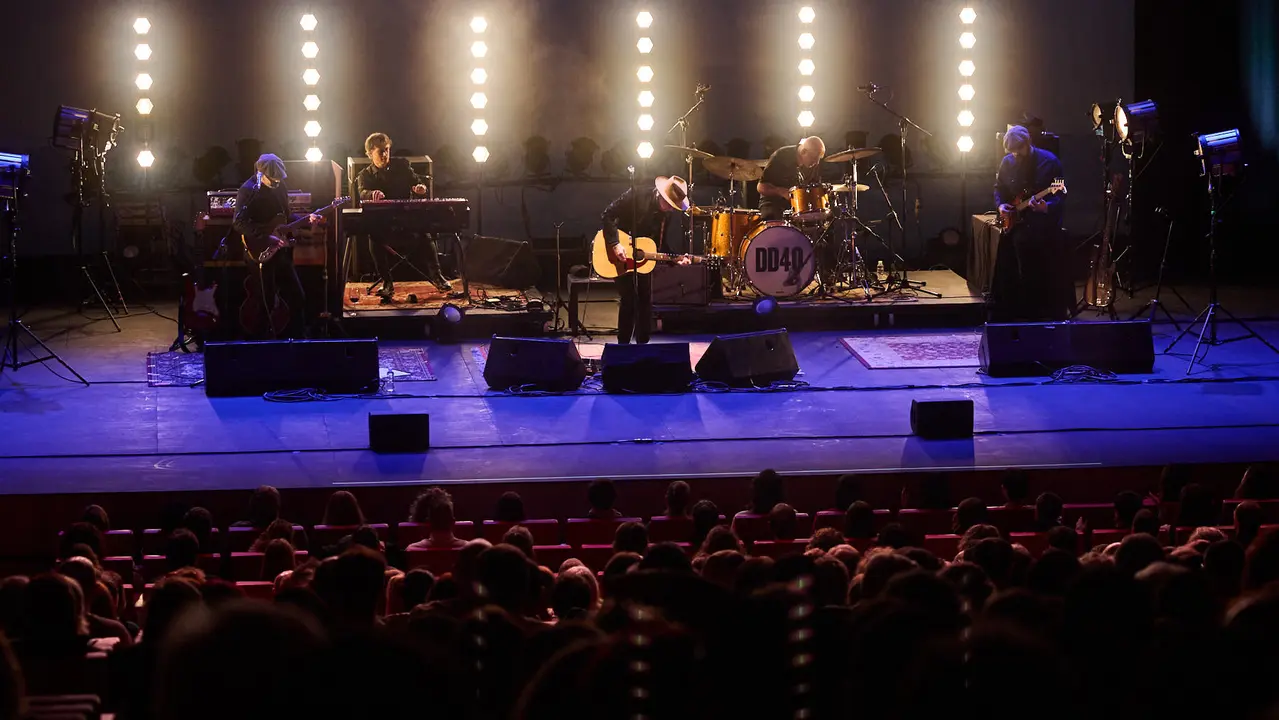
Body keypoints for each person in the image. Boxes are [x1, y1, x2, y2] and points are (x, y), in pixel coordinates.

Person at [354, 132, 451, 297]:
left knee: (425, 233)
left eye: (387, 150)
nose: (385, 154)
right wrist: (371, 194)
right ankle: (387, 282)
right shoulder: (365, 175)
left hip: (406, 222)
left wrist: (421, 188)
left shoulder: (402, 166)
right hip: (384, 226)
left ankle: (437, 276)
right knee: (373, 238)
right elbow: (362, 192)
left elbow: (418, 182)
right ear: (370, 154)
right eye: (380, 151)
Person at [232, 153, 318, 339]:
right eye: (273, 180)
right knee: (265, 301)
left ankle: (298, 340)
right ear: (260, 173)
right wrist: (265, 236)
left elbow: (286, 217)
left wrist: (306, 219)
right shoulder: (247, 191)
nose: (277, 183)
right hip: (259, 251)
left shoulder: (280, 186)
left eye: (280, 180)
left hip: (280, 250)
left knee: (297, 296)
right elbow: (239, 223)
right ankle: (262, 343)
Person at [598, 175, 692, 344]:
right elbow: (607, 215)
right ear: (660, 195)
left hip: (641, 261)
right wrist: (615, 243)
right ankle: (623, 347)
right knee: (629, 299)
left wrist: (675, 259)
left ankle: (643, 347)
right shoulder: (636, 195)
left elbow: (659, 246)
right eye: (669, 205)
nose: (671, 209)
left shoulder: (666, 216)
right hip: (619, 254)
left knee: (645, 301)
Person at [992, 125, 1070, 321]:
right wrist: (1001, 205)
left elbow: (1061, 193)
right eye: (1012, 152)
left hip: (1041, 225)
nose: (1016, 155)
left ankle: (1038, 313)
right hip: (1015, 223)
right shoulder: (1007, 162)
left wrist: (1047, 207)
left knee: (1030, 263)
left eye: (1019, 150)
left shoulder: (1050, 161)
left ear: (1028, 143)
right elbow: (999, 188)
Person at [757, 135, 826, 222]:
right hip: (772, 203)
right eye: (814, 158)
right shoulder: (781, 156)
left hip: (795, 206)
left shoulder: (812, 165)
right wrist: (781, 191)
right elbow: (761, 187)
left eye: (818, 159)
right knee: (776, 219)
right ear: (803, 152)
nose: (816, 163)